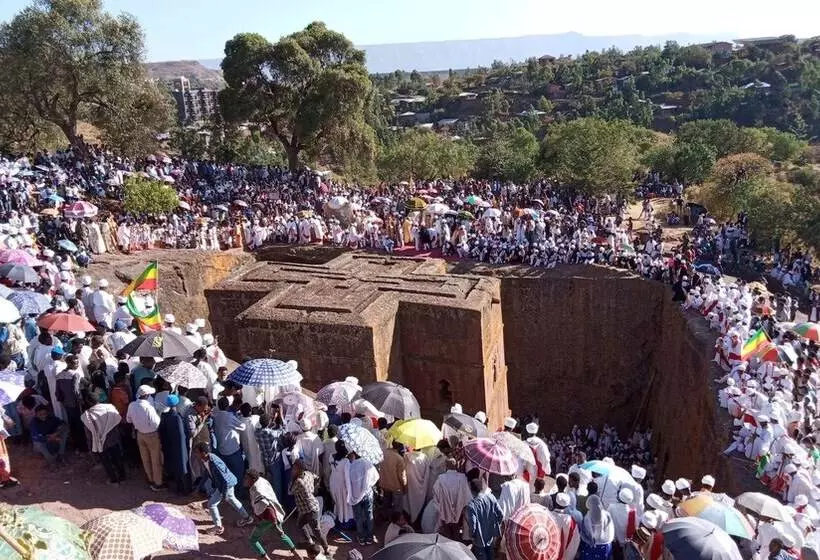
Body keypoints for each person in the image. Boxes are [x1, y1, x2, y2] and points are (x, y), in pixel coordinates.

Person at [195, 442, 254, 535]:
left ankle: (218, 527)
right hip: (224, 484)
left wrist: (223, 492)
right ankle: (247, 518)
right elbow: (207, 473)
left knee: (212, 504)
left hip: (226, 484)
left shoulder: (214, 462)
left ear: (203, 453)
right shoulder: (206, 460)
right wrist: (199, 487)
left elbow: (224, 477)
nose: (196, 454)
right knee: (232, 500)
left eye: (197, 452)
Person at [245, 469, 300, 560]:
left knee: (253, 540)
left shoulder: (257, 491)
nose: (245, 480)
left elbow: (268, 508)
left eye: (247, 478)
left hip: (268, 518)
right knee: (282, 535)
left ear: (253, 479)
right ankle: (297, 555)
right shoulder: (262, 481)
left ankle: (265, 557)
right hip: (275, 512)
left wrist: (275, 524)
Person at [80, 392, 126, 485]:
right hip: (113, 438)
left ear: (88, 402)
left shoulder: (86, 415)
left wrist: (91, 447)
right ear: (98, 399)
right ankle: (123, 477)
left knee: (106, 461)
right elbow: (118, 419)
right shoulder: (109, 407)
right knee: (117, 457)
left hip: (100, 442)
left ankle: (113, 479)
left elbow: (89, 434)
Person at [126, 384, 164, 491]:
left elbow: (128, 420)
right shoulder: (149, 407)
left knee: (145, 458)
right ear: (147, 395)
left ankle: (150, 479)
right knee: (155, 459)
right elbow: (156, 423)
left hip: (140, 434)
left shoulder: (132, 405)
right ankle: (158, 483)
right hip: (151, 435)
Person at [289, 459, 331, 554]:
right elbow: (317, 478)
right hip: (307, 508)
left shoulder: (298, 482)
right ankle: (310, 541)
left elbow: (290, 491)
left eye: (294, 469)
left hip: (310, 510)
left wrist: (292, 478)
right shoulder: (308, 474)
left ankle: (326, 548)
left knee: (316, 531)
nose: (293, 470)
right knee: (300, 524)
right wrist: (314, 488)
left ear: (300, 470)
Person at [432, 457, 473, 539]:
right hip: (459, 510)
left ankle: (447, 546)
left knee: (446, 531)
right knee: (456, 530)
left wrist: (441, 505)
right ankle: (456, 547)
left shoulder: (441, 478)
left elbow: (435, 492)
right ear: (456, 466)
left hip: (444, 510)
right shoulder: (462, 478)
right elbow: (468, 496)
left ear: (446, 466)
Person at [159, 394, 192, 495]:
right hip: (180, 448)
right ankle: (184, 490)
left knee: (175, 467)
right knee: (183, 468)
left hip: (169, 447)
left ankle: (178, 488)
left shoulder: (164, 416)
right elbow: (182, 435)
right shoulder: (177, 417)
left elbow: (162, 432)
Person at [466, 477, 504, 560]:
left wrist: (471, 536)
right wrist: (495, 525)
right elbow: (501, 514)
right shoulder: (491, 497)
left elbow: (473, 526)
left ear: (472, 490)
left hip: (479, 539)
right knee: (491, 556)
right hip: (491, 536)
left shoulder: (471, 506)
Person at [580, 495, 616, 560]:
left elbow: (583, 533)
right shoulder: (607, 514)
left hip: (591, 546)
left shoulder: (587, 517)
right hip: (606, 546)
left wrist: (589, 541)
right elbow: (610, 529)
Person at [378, 441, 407, 516]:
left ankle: (385, 516)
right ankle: (396, 521)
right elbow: (402, 476)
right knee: (397, 507)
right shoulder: (399, 459)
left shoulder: (384, 453)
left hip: (384, 483)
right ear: (400, 447)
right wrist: (405, 486)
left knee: (386, 501)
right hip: (396, 486)